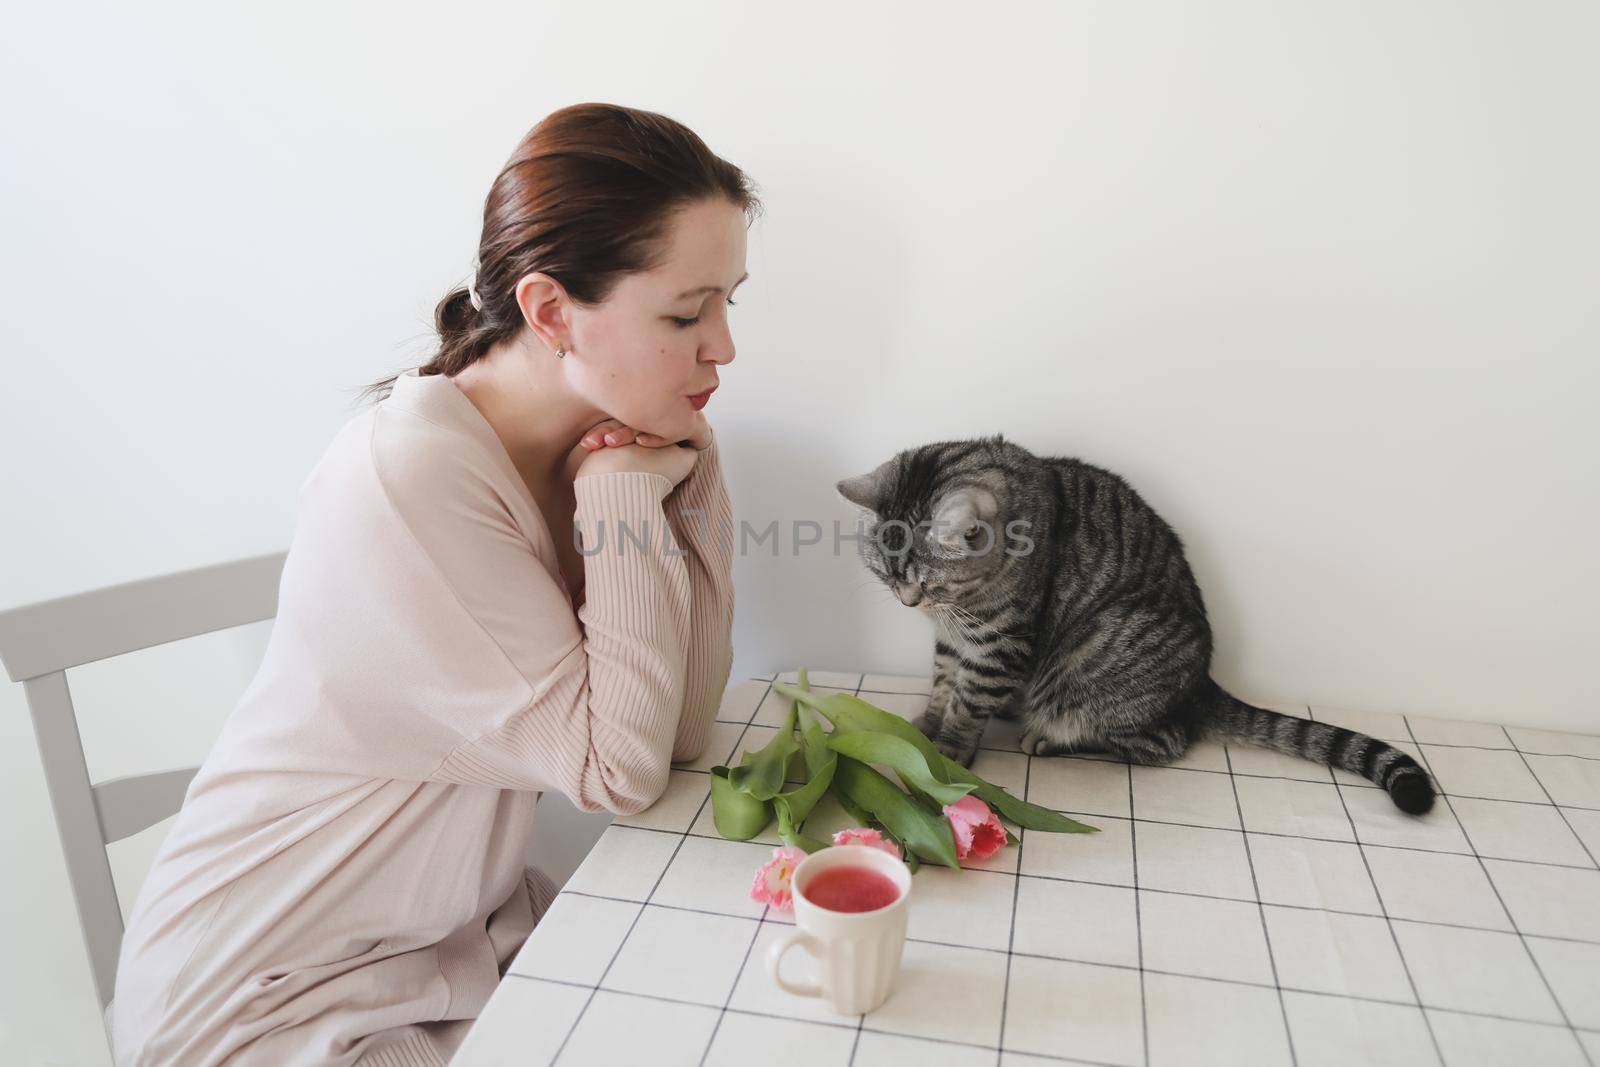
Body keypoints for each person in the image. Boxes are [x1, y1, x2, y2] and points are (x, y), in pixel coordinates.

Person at [110, 102, 756, 1066]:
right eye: (683, 312)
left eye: (728, 303)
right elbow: (618, 771)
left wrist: (687, 464)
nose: (723, 348)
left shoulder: (604, 444)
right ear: (548, 311)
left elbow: (681, 728)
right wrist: (628, 494)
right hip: (268, 1004)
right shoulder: (410, 475)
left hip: (452, 956)